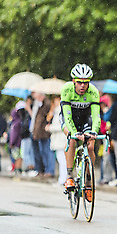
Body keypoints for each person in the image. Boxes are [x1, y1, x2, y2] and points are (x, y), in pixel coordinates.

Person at [61, 63, 101, 195]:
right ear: (74, 81)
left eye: (85, 82)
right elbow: (67, 116)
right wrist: (74, 133)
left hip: (85, 119)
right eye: (79, 82)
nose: (82, 86)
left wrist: (94, 131)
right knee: (71, 140)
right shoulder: (67, 89)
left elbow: (96, 115)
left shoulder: (93, 91)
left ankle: (89, 179)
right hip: (69, 118)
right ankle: (69, 176)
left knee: (90, 146)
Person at [31, 91, 55, 178]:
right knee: (43, 152)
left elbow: (47, 118)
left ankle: (50, 170)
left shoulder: (47, 104)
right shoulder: (40, 104)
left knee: (48, 152)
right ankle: (45, 169)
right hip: (40, 133)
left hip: (45, 133)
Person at [46, 95, 67, 185]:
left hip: (61, 139)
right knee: (60, 159)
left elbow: (62, 126)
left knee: (62, 160)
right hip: (57, 139)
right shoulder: (55, 111)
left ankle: (63, 179)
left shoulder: (60, 111)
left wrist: (50, 128)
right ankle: (62, 178)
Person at [9, 107, 23, 173]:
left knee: (16, 156)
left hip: (16, 143)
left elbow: (14, 134)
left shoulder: (16, 123)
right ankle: (17, 168)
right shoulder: (18, 122)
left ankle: (17, 168)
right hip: (17, 142)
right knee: (17, 156)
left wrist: (11, 143)